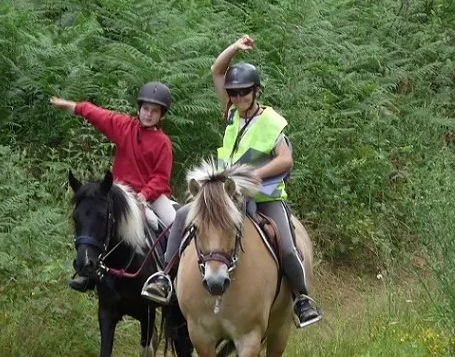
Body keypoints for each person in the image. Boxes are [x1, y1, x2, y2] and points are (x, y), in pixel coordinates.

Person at [141, 36, 322, 329]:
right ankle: (165, 276)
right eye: (234, 93)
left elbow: (285, 159)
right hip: (227, 194)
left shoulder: (271, 121)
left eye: (244, 93)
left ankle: (301, 299)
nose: (238, 98)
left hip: (264, 196)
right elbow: (216, 70)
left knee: (287, 246)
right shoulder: (232, 114)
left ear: (256, 91)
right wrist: (235, 49)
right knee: (183, 216)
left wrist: (254, 175)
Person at [51, 82, 175, 292]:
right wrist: (71, 105)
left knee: (173, 224)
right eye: (145, 109)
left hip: (151, 196)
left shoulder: (163, 143)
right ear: (139, 109)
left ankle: (166, 277)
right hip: (120, 195)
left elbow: (161, 177)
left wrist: (144, 195)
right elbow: (98, 115)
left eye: (154, 111)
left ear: (161, 115)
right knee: (97, 225)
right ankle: (89, 273)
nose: (148, 114)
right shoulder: (124, 127)